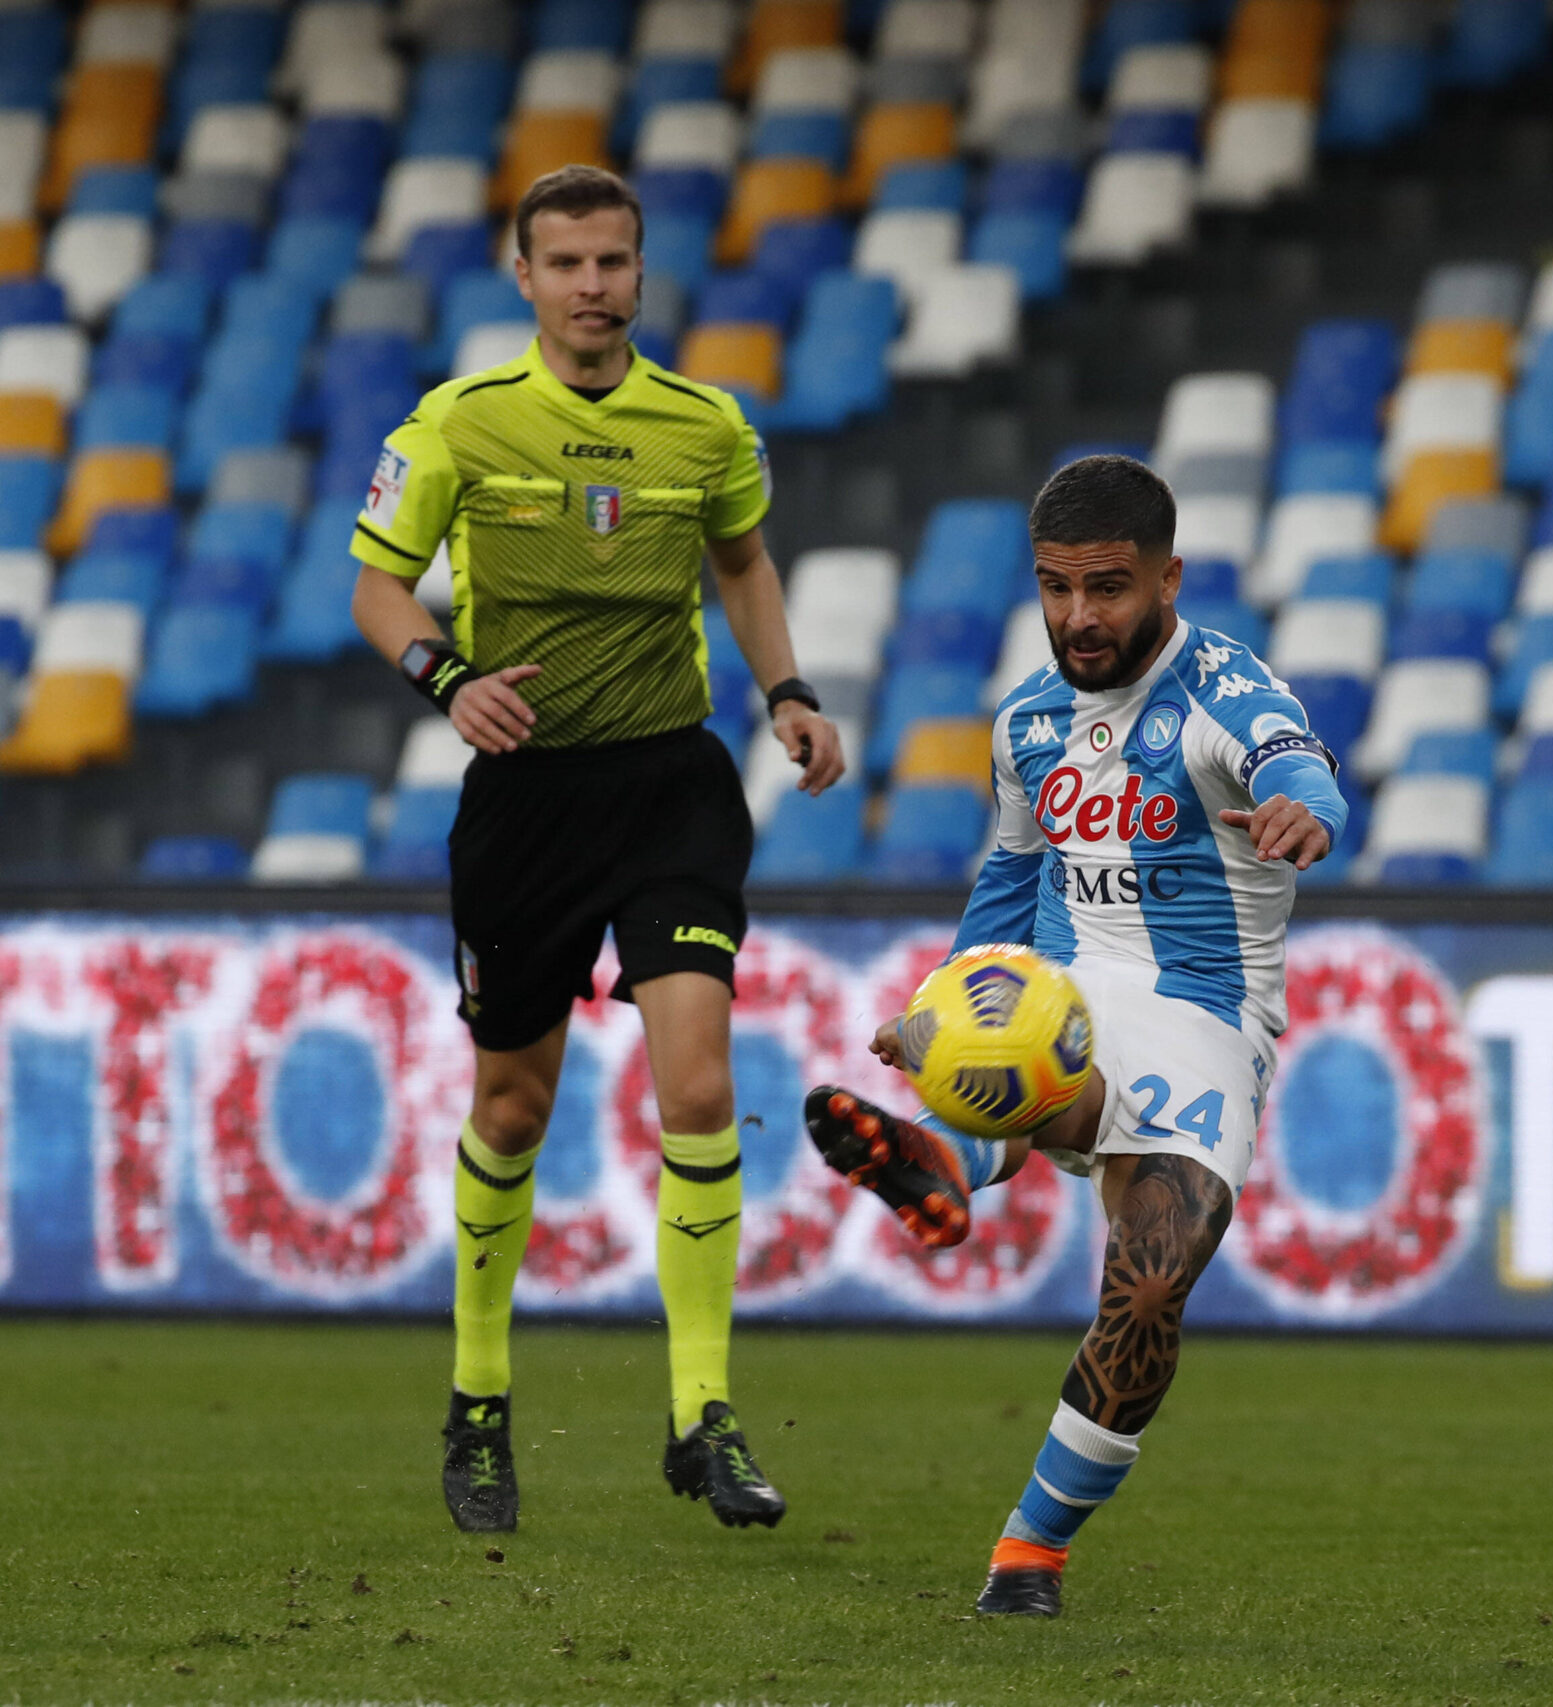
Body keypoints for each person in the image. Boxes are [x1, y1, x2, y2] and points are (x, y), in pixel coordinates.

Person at [347, 165, 847, 1534]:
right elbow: (376, 580)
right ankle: (480, 1398)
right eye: (563, 263)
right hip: (524, 798)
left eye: (611, 262)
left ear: (640, 272)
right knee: (512, 1106)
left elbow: (741, 562)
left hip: (669, 786)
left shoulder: (705, 427)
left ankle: (701, 1412)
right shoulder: (458, 424)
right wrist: (445, 678)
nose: (589, 286)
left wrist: (788, 690)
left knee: (696, 1081)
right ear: (524, 277)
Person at [802, 454, 1347, 1617]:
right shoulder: (1025, 723)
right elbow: (1009, 877)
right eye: (1055, 588)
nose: (1078, 617)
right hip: (1053, 996)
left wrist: (1309, 807)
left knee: (1151, 1284)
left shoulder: (1222, 693)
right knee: (1045, 1049)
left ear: (1168, 577)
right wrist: (939, 1008)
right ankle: (954, 1147)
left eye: (1106, 588)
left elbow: (1294, 761)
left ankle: (1028, 1544)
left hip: (1203, 1004)